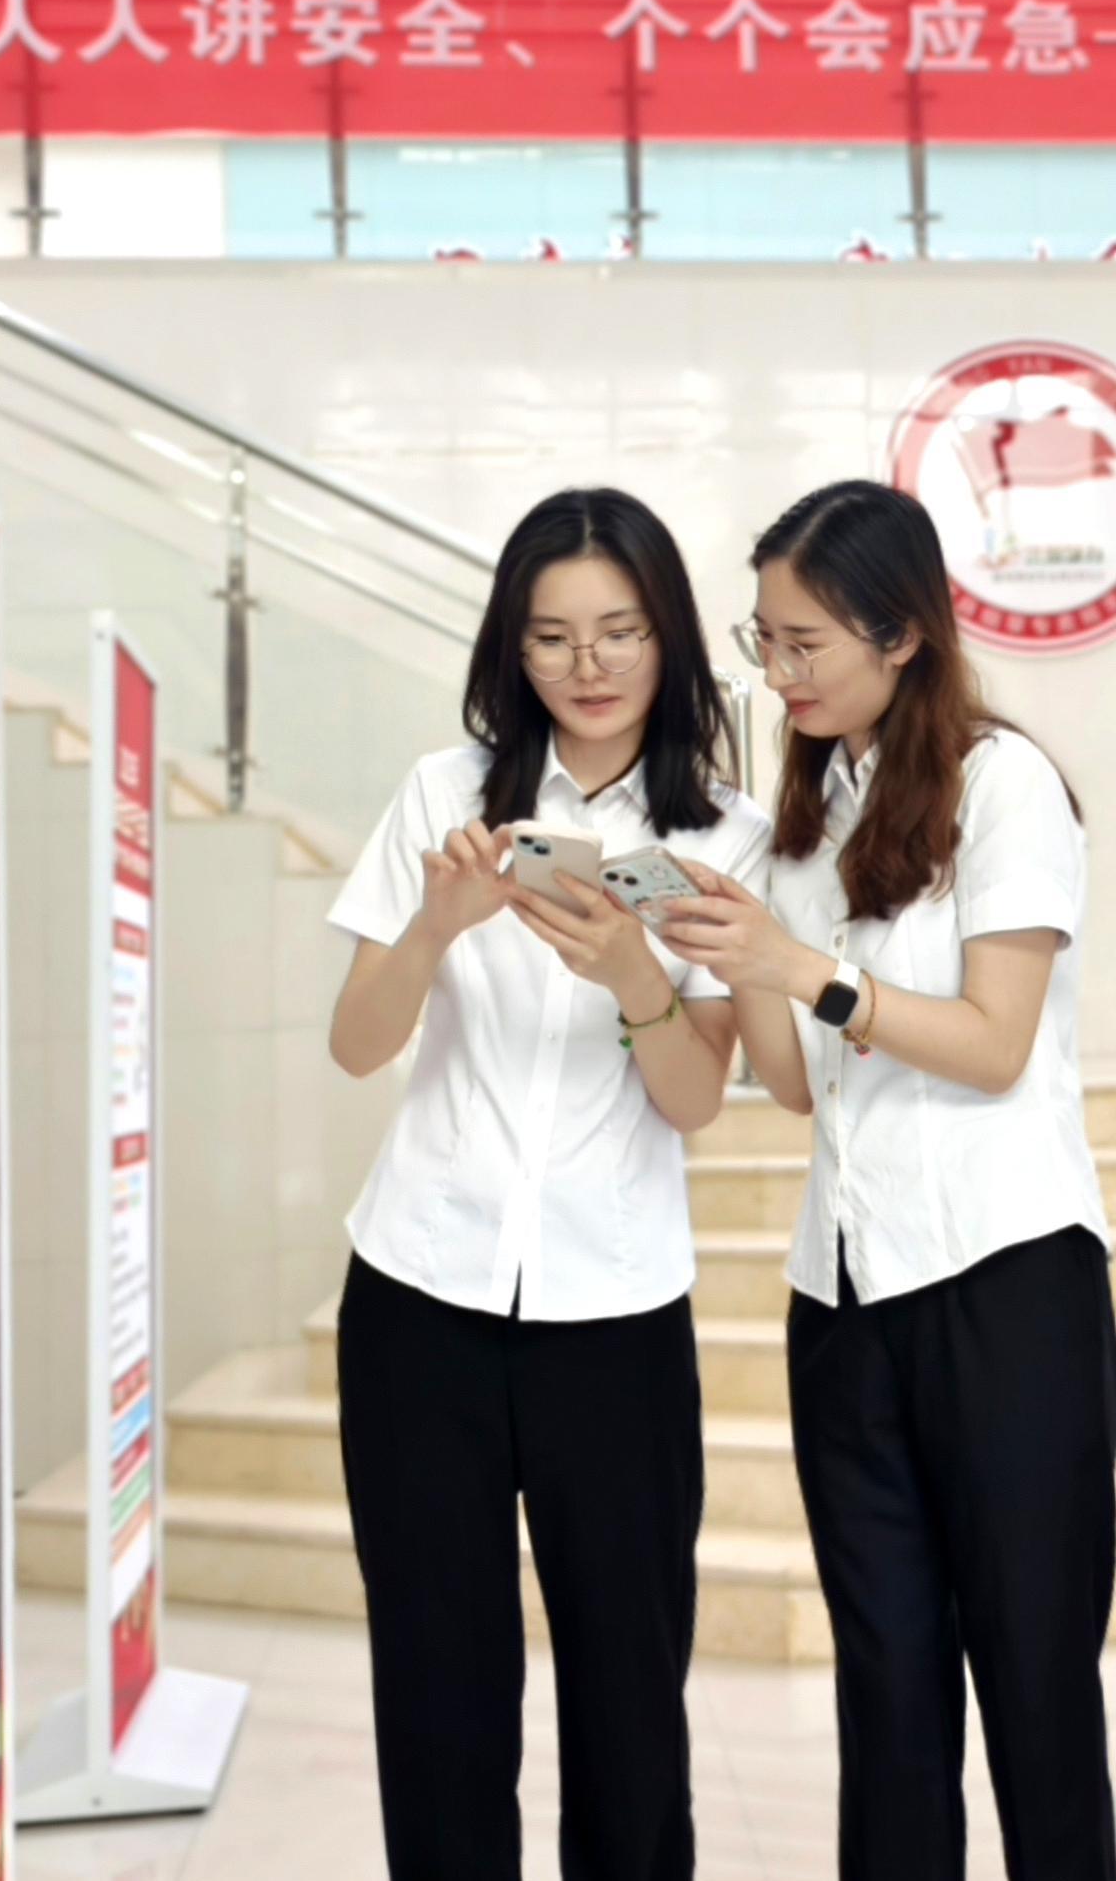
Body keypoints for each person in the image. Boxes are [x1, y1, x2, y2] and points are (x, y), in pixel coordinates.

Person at [653, 477, 1116, 1881]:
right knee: (888, 1697)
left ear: (901, 634)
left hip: (1006, 1285)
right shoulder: (810, 815)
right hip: (844, 1299)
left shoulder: (1002, 784)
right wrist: (740, 952)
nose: (778, 672)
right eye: (765, 640)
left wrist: (805, 968)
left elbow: (992, 1044)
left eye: (805, 643)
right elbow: (795, 1086)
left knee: (1034, 1690)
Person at [322, 485, 772, 1881]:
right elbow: (357, 1044)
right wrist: (435, 923)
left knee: (629, 1701)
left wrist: (637, 973)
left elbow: (694, 1099)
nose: (589, 665)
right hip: (420, 1295)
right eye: (552, 636)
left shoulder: (730, 835)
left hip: (616, 1311)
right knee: (438, 1694)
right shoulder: (443, 795)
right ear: (510, 648)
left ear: (668, 637)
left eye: (620, 631)